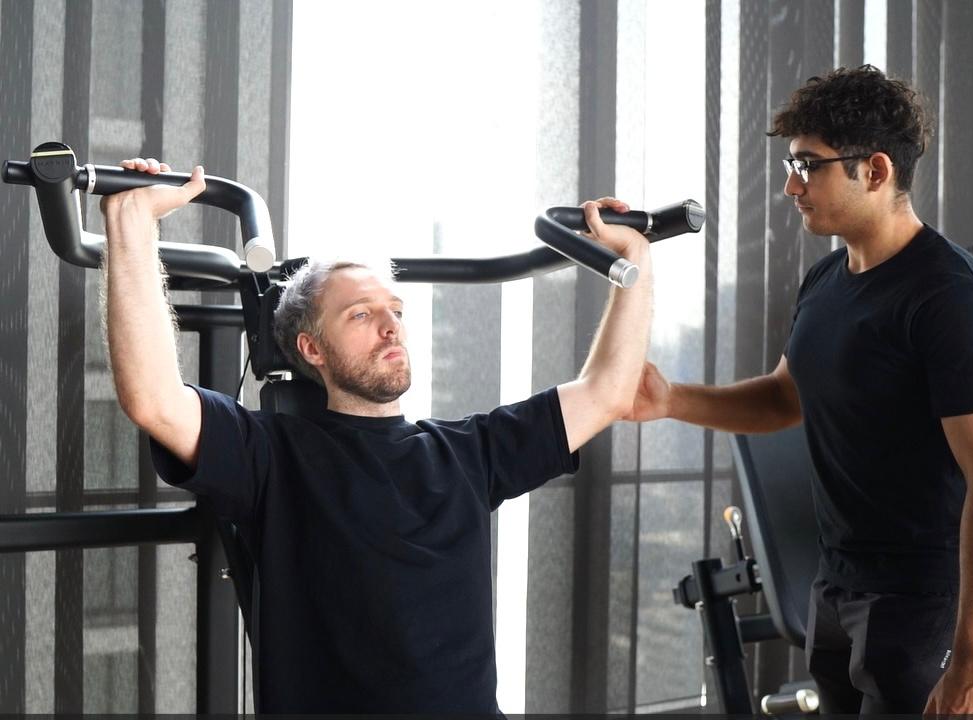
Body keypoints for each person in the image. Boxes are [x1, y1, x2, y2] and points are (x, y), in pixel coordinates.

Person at [101, 157, 653, 713]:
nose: (391, 326)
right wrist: (133, 228)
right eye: (361, 315)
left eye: (395, 310)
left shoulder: (468, 451)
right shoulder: (272, 454)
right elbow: (153, 397)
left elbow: (608, 391)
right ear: (312, 349)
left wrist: (637, 257)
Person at [628, 65, 973, 713]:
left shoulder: (954, 301)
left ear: (873, 171)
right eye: (791, 164)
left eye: (808, 166)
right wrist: (670, 399)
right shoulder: (826, 282)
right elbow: (786, 399)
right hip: (839, 586)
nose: (790, 186)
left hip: (929, 604)